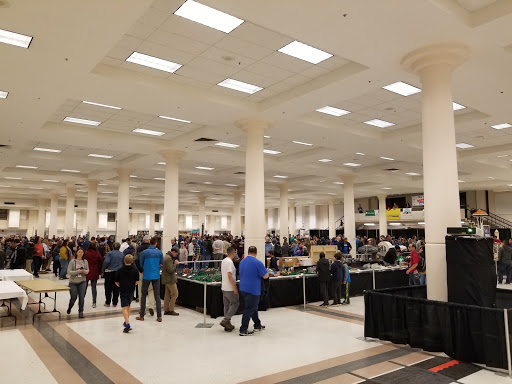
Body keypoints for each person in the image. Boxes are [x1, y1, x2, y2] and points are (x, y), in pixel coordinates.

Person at [238, 246, 269, 336]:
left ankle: (257, 325)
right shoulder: (258, 263)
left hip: (243, 288)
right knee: (249, 309)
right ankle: (243, 329)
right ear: (256, 252)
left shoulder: (242, 261)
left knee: (253, 307)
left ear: (248, 252)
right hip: (253, 289)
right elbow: (265, 276)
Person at [137, 237, 163, 322]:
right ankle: (159, 316)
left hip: (146, 276)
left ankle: (141, 315)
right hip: (156, 276)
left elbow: (141, 263)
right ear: (155, 243)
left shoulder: (144, 252)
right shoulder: (159, 252)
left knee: (143, 295)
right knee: (157, 296)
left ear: (149, 243)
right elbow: (161, 264)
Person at [115, 254, 140, 333]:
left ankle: (128, 323)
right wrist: (132, 285)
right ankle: (126, 321)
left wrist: (121, 285)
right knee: (128, 306)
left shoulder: (120, 270)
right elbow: (137, 281)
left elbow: (116, 281)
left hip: (123, 290)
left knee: (124, 307)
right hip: (131, 290)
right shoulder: (135, 270)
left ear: (124, 260)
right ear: (132, 261)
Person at [67, 248, 89, 318]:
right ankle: (70, 306)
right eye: (79, 252)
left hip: (82, 281)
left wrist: (84, 271)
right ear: (76, 253)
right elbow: (69, 272)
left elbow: (88, 270)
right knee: (74, 297)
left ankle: (81, 312)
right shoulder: (72, 261)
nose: (80, 253)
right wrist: (78, 271)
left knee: (82, 297)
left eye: (82, 252)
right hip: (73, 282)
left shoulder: (85, 261)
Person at [220, 247, 239, 331]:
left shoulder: (224, 261)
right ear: (233, 253)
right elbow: (229, 275)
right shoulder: (229, 262)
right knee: (235, 303)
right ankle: (226, 320)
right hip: (229, 287)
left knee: (226, 305)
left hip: (223, 286)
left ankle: (227, 324)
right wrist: (234, 287)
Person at [103, 242, 125, 307]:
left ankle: (107, 302)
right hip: (118, 272)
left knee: (108, 287)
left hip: (109, 272)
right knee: (116, 288)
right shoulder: (122, 254)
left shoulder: (110, 253)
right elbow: (123, 263)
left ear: (112, 247)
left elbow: (106, 262)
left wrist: (103, 269)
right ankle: (115, 303)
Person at [85, 242, 103, 308]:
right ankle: (94, 302)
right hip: (95, 270)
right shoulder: (97, 253)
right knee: (94, 287)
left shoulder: (86, 253)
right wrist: (101, 271)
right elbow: (101, 262)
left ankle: (81, 301)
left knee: (84, 287)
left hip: (87, 271)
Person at [162, 248, 179, 316]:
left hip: (166, 279)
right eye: (176, 253)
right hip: (170, 279)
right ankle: (171, 310)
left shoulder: (166, 256)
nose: (176, 255)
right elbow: (170, 270)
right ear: (173, 252)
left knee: (167, 295)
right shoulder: (169, 258)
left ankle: (166, 310)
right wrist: (175, 264)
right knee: (175, 294)